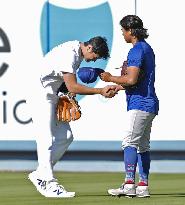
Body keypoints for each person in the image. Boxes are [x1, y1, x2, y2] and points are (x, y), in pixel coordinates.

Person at [27, 36, 117, 198]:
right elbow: (73, 85)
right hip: (39, 95)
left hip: (52, 94)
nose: (93, 61)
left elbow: (65, 83)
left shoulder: (76, 52)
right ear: (89, 48)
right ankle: (48, 182)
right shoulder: (70, 53)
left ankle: (40, 173)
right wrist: (100, 91)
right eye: (95, 57)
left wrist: (67, 94)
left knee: (66, 137)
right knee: (46, 138)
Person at [100, 15, 159, 198]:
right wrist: (117, 86)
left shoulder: (136, 50)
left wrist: (110, 78)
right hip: (149, 103)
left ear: (130, 31)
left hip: (139, 102)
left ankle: (128, 185)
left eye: (123, 30)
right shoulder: (147, 48)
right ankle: (142, 186)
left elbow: (132, 79)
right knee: (142, 146)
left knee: (129, 142)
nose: (122, 34)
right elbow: (137, 80)